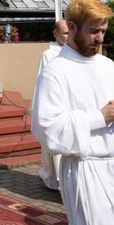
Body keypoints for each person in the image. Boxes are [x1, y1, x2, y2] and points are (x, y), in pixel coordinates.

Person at [32, 0, 114, 225]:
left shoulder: (107, 65)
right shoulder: (56, 71)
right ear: (72, 26)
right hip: (85, 168)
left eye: (103, 31)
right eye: (93, 31)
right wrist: (100, 116)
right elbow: (46, 126)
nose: (100, 38)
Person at [34, 19, 69, 190]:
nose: (69, 36)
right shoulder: (48, 55)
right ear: (56, 34)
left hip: (72, 108)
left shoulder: (74, 52)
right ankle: (53, 178)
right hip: (56, 108)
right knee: (54, 149)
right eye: (65, 33)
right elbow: (42, 85)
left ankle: (65, 180)